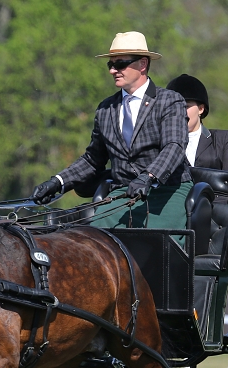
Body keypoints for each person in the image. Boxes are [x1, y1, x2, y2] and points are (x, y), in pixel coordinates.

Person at [30, 31, 192, 231]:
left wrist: (149, 176)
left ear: (142, 64)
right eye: (110, 65)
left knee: (156, 246)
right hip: (123, 193)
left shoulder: (170, 100)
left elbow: (174, 146)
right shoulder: (106, 109)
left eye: (120, 64)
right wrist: (58, 181)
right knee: (93, 241)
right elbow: (92, 159)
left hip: (168, 192)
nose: (112, 70)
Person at [165, 73, 228, 175]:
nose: (179, 112)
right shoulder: (160, 142)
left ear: (201, 109)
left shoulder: (222, 141)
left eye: (185, 107)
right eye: (175, 107)